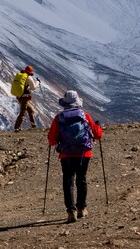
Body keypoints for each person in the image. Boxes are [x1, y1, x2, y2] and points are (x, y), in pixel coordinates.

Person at [47, 90, 103, 223]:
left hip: (66, 155)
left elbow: (52, 140)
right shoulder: (85, 116)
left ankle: (71, 211)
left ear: (65, 103)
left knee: (68, 181)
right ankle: (81, 209)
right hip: (84, 153)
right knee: (81, 179)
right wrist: (99, 127)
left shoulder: (59, 118)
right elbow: (97, 135)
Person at [13, 65, 39, 132]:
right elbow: (33, 87)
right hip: (24, 97)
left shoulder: (20, 75)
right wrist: (38, 82)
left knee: (31, 110)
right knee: (22, 113)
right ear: (30, 71)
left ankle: (33, 126)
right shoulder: (28, 77)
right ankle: (16, 127)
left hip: (19, 96)